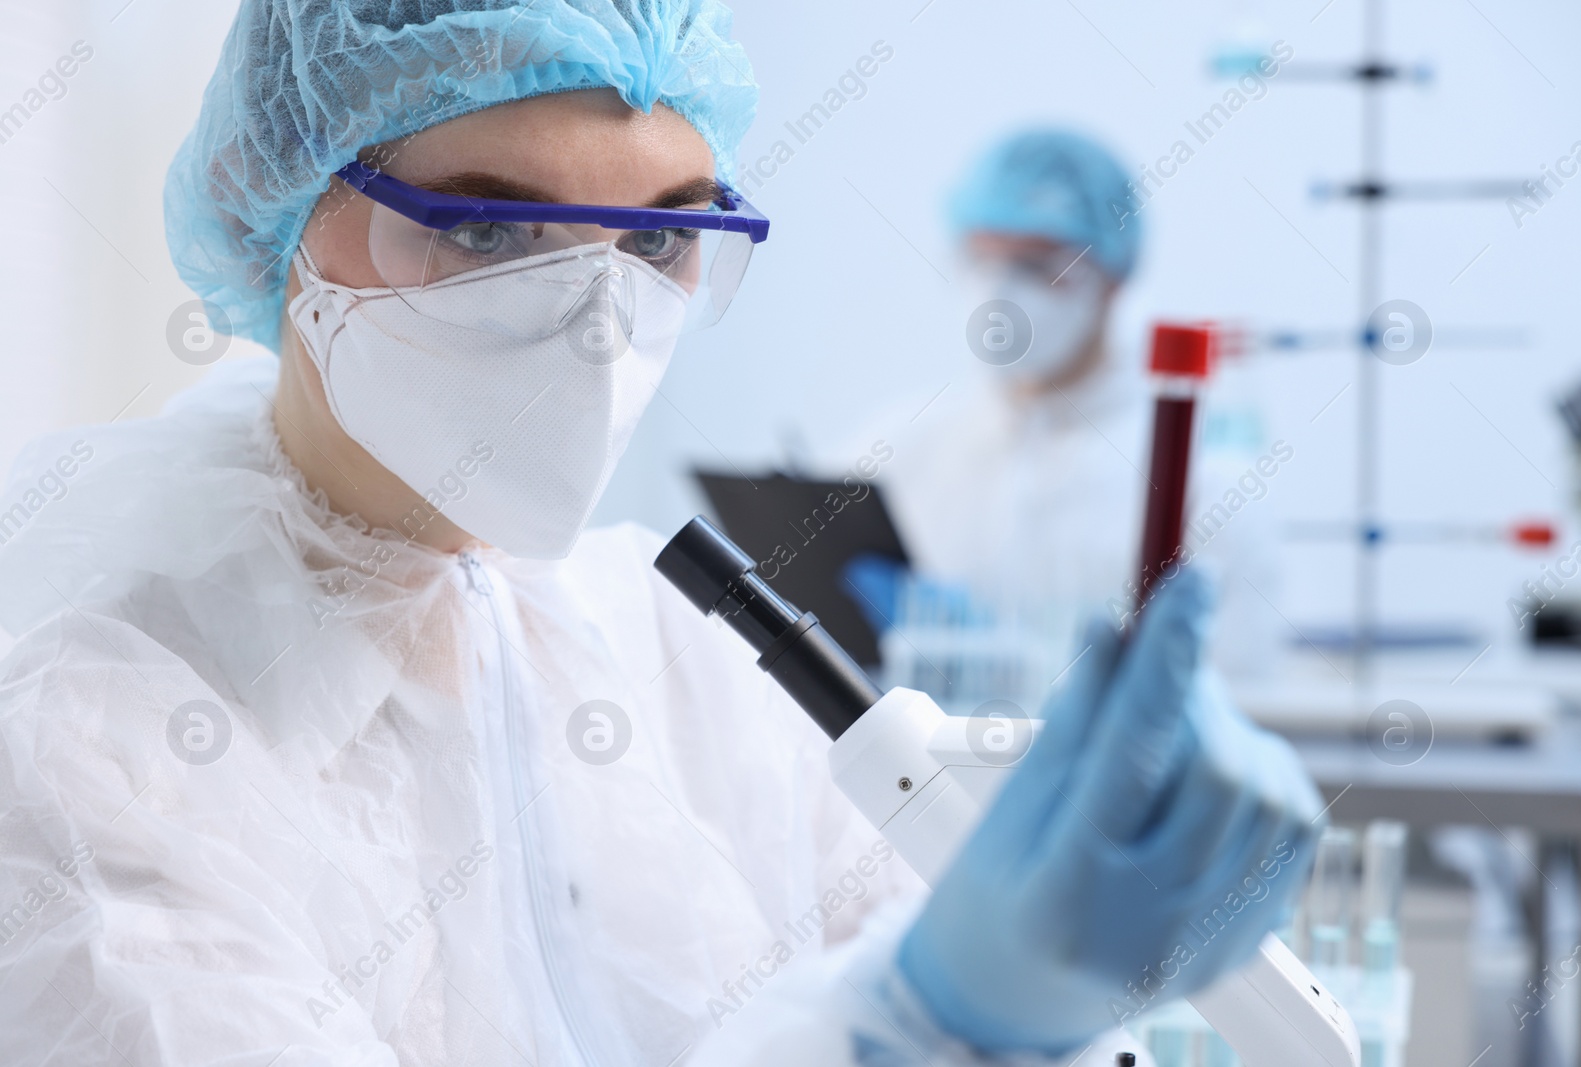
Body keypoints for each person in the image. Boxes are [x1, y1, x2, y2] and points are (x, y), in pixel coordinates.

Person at [0, 3, 1319, 1065]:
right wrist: (914, 1024)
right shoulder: (88, 736)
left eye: (667, 234)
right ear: (264, 192)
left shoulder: (661, 645)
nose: (595, 320)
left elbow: (929, 950)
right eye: (490, 226)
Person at [863, 128, 1280, 677]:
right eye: (981, 258)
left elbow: (1232, 699)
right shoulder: (902, 446)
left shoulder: (1197, 479)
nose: (997, 291)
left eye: (1037, 266)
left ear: (1110, 277)